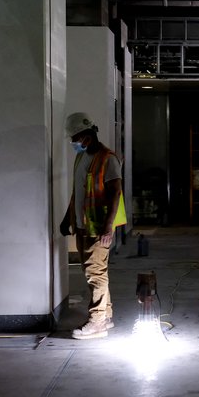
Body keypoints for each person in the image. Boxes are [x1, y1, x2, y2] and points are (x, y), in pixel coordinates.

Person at [60, 112, 127, 339]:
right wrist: (67, 217)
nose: (73, 143)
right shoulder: (81, 158)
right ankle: (105, 316)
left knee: (95, 273)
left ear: (87, 135)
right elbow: (77, 192)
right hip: (82, 225)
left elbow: (115, 193)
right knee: (96, 271)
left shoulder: (108, 158)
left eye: (75, 138)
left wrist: (108, 227)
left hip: (98, 227)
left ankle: (97, 321)